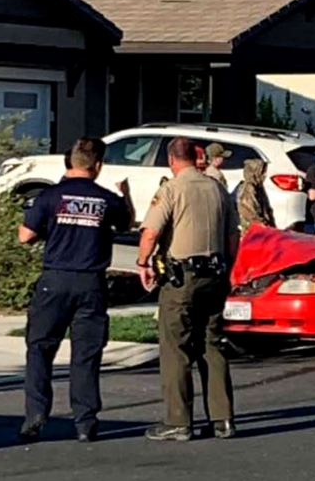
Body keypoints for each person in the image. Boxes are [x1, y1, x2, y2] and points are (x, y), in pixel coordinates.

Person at [18, 137, 134, 442]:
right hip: (91, 283)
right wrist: (126, 197)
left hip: (54, 281)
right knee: (86, 354)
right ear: (97, 166)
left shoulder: (48, 196)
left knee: (40, 348)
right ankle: (85, 422)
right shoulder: (107, 199)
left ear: (68, 162)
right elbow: (126, 223)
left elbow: (24, 236)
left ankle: (35, 415)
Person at [137, 137, 240, 442]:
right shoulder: (217, 188)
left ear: (171, 159)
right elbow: (233, 236)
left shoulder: (171, 189)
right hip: (216, 274)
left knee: (175, 347)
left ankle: (178, 422)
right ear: (195, 157)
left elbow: (151, 232)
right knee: (213, 343)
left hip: (182, 278)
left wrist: (143, 263)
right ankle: (222, 420)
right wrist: (229, 268)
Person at [236, 159, 276, 232]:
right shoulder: (249, 188)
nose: (264, 175)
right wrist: (262, 225)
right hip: (252, 231)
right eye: (262, 172)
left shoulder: (259, 188)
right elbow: (249, 212)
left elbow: (267, 209)